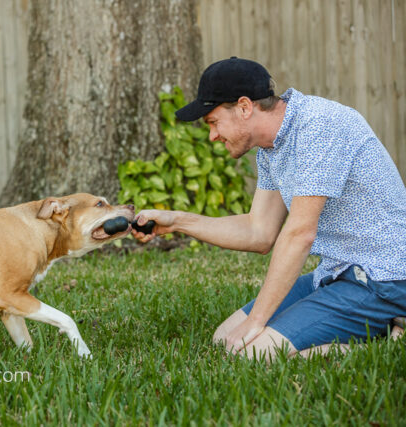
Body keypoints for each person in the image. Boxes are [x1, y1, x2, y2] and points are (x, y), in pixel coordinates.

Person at [132, 57, 406, 360]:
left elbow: (300, 233)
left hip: (385, 278)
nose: (212, 135)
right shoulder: (271, 147)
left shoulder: (320, 126)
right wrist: (177, 221)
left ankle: (381, 342)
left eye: (213, 122)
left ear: (245, 107)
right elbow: (258, 232)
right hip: (338, 272)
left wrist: (256, 321)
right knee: (223, 339)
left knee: (255, 355)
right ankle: (378, 326)